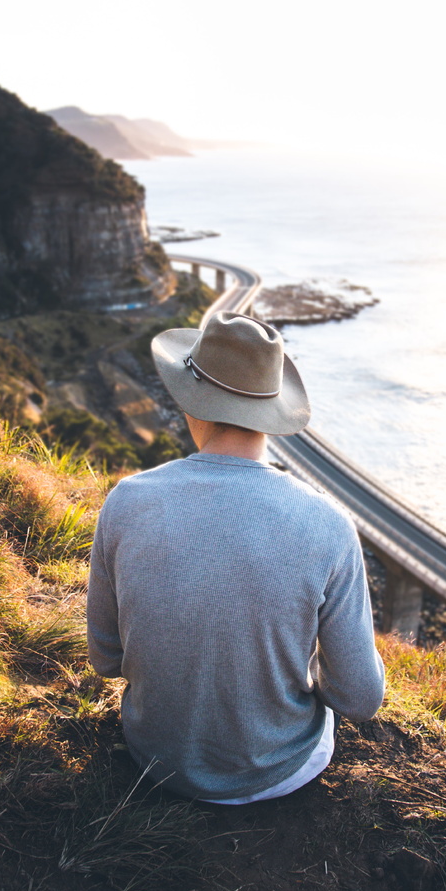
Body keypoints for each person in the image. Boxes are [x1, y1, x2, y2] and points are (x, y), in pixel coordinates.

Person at [87, 310, 385, 803]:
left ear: (190, 401)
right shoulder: (328, 525)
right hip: (281, 770)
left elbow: (105, 659)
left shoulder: (126, 501)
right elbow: (359, 698)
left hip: (155, 759)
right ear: (272, 411)